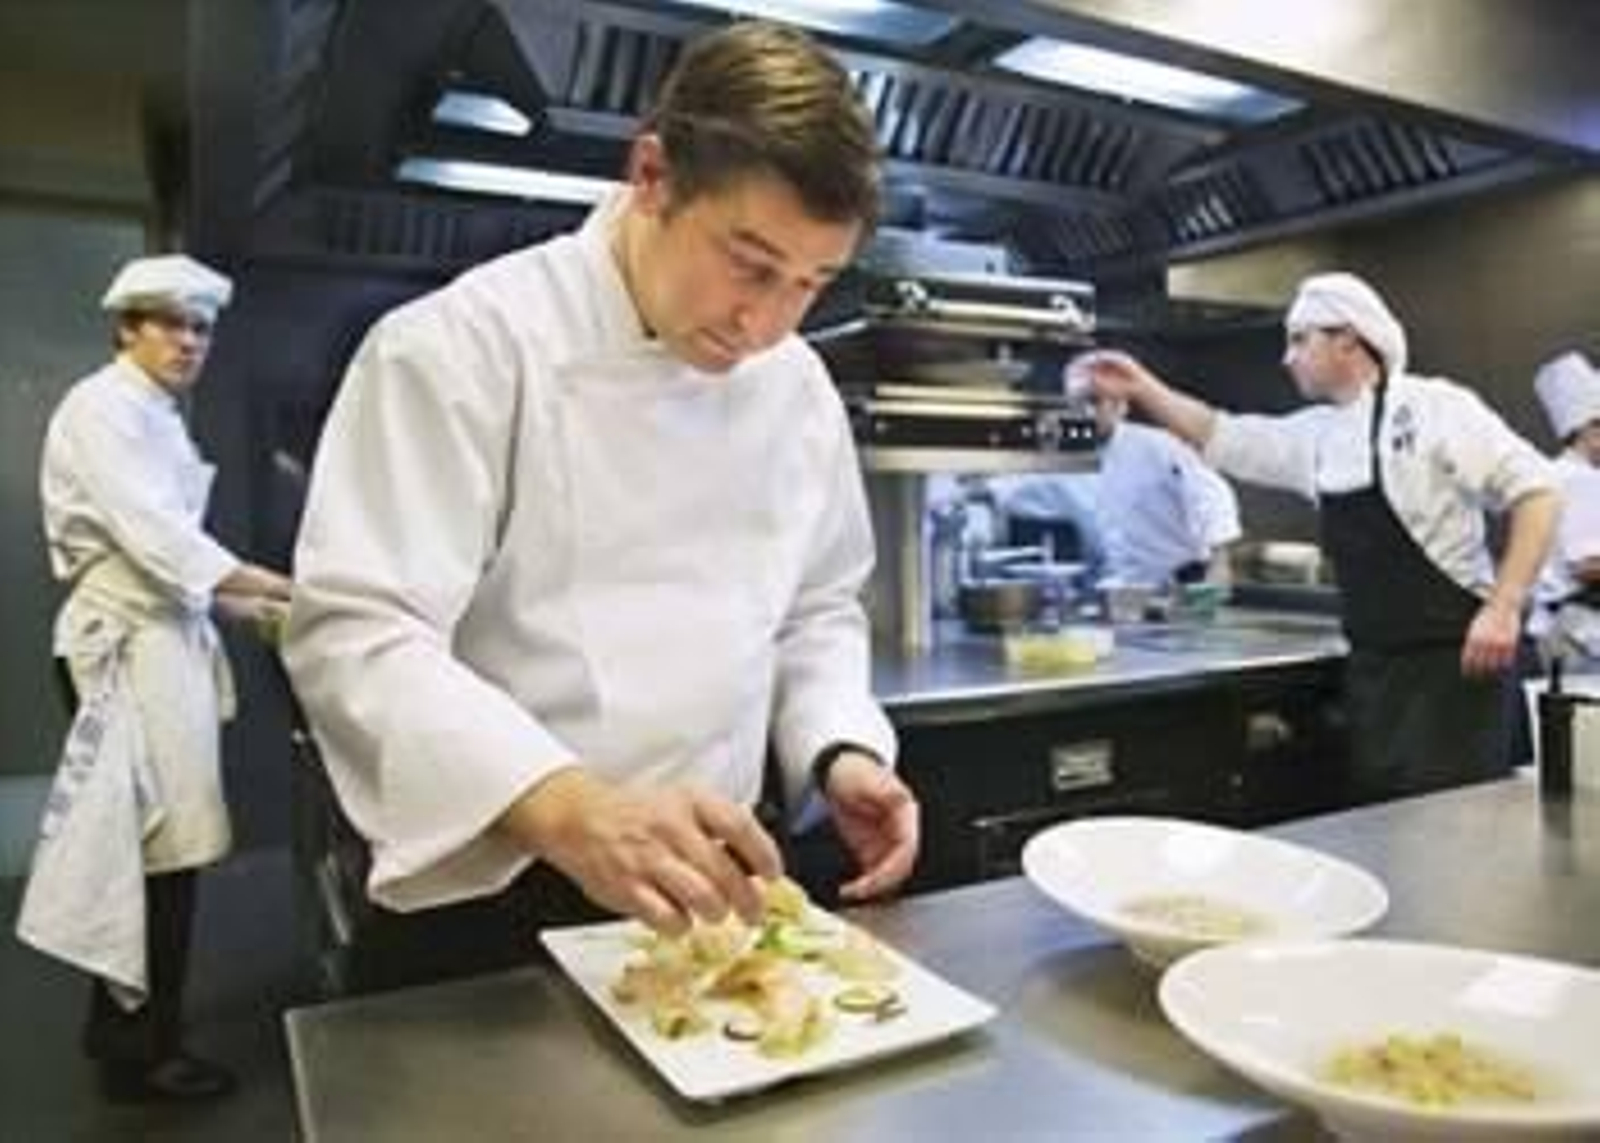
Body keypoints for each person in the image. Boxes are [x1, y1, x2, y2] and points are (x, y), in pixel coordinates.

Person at [282, 23, 919, 956]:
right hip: (503, 887)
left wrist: (839, 746)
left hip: (714, 884)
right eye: (749, 264)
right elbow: (358, 633)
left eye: (810, 283)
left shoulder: (795, 385)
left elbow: (817, 607)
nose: (766, 323)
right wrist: (566, 806)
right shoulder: (463, 346)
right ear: (652, 175)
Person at [1073, 272, 1558, 800]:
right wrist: (1141, 387)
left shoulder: (1435, 407)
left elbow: (1539, 491)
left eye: (1300, 340)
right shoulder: (1320, 434)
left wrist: (1504, 606)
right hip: (1377, 671)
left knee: (1463, 830)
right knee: (1393, 827)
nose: (1287, 358)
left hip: (1459, 667)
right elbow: (1221, 433)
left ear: (1347, 340)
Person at [17, 254, 293, 1102]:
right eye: (170, 323)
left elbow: (174, 570)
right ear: (127, 328)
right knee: (144, 851)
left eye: (200, 327)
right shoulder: (101, 408)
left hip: (162, 640)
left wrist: (263, 608)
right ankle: (138, 1053)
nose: (189, 341)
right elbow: (160, 542)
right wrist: (283, 585)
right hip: (123, 652)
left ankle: (140, 1034)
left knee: (166, 855)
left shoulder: (157, 416)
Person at [1529, 351, 1600, 663]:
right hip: (1580, 631)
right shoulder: (1580, 479)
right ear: (1587, 429)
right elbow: (1587, 567)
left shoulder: (1551, 473)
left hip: (1556, 629)